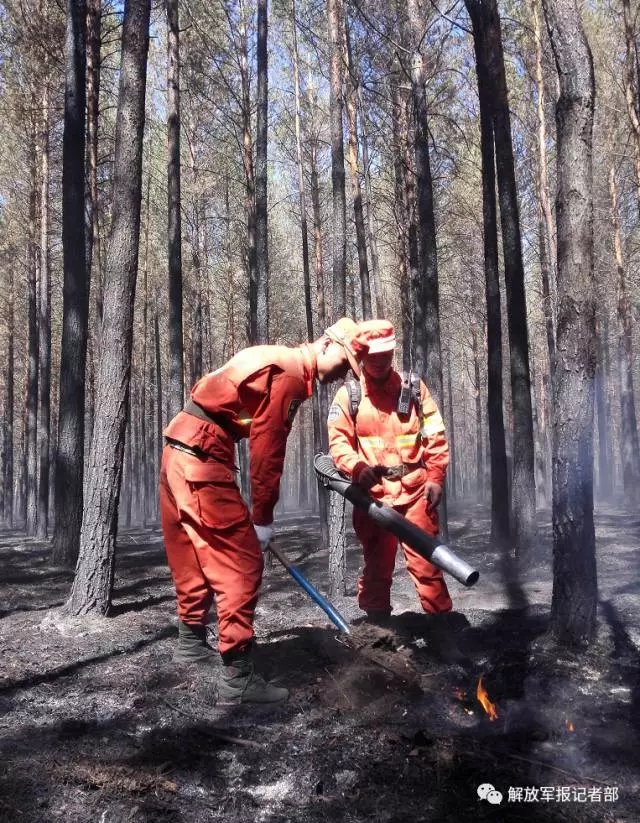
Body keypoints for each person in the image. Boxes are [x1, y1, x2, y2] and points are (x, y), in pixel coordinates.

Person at [159, 318, 367, 705]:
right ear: (326, 344)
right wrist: (263, 519)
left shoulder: (275, 358)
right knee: (242, 563)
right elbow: (267, 451)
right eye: (344, 362)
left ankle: (190, 643)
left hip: (179, 450)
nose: (342, 374)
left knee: (191, 552)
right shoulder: (291, 375)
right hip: (202, 457)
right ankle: (238, 679)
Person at [327, 319, 453, 628]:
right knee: (376, 564)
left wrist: (436, 476)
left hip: (415, 491)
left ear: (394, 352)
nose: (380, 361)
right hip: (374, 498)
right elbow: (338, 443)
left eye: (385, 354)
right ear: (361, 355)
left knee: (427, 561)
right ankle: (377, 628)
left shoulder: (414, 389)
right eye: (373, 355)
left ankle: (442, 629)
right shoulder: (349, 395)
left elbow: (435, 435)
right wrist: (358, 469)